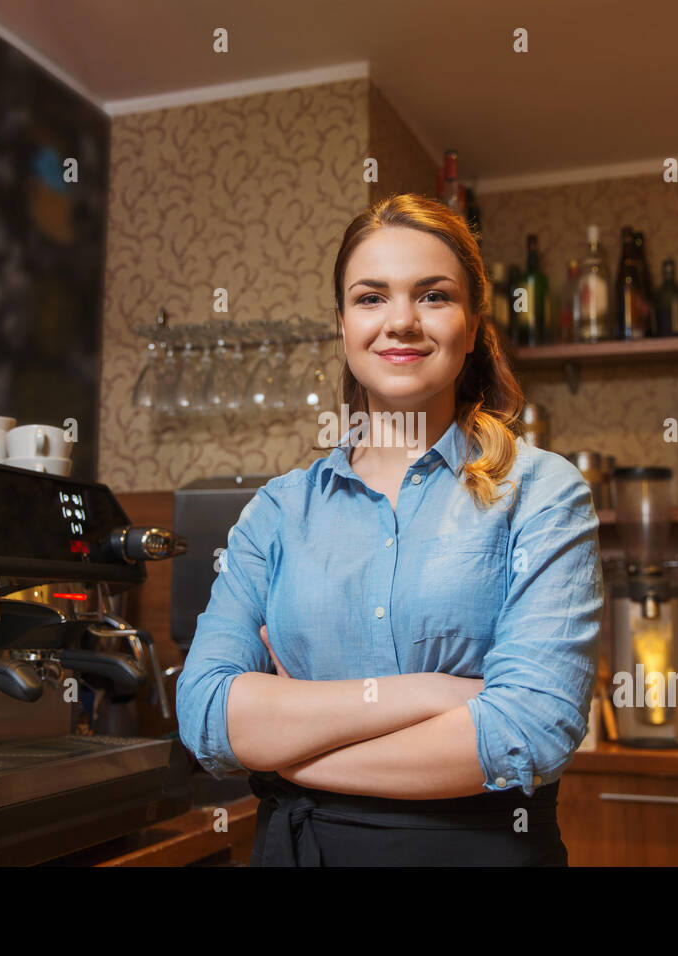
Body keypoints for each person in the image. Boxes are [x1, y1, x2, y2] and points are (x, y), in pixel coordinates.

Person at [176, 194, 603, 866]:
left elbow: (529, 729)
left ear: (471, 326)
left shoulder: (543, 493)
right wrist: (432, 694)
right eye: (371, 298)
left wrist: (292, 752)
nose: (400, 321)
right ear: (343, 327)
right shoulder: (277, 511)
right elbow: (206, 714)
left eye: (433, 296)